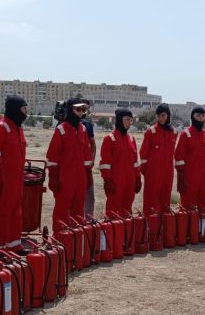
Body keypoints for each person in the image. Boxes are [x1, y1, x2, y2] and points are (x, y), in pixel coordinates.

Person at [47, 98, 94, 231]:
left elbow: (87, 155)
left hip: (80, 178)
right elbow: (52, 157)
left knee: (79, 209)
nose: (81, 112)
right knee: (62, 209)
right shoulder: (61, 130)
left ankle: (76, 241)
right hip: (64, 178)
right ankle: (59, 238)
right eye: (78, 109)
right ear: (70, 110)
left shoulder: (83, 129)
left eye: (83, 110)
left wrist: (88, 174)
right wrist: (53, 177)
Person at [0, 95, 29, 251]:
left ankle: (14, 244)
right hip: (5, 180)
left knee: (16, 212)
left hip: (17, 179)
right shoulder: (2, 127)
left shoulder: (18, 128)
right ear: (14, 109)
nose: (25, 113)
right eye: (23, 109)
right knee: (3, 213)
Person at [99, 108, 140, 217]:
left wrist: (138, 178)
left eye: (131, 120)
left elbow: (135, 162)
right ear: (119, 120)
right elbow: (105, 163)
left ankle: (126, 232)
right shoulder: (109, 139)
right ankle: (111, 232)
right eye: (127, 119)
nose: (129, 123)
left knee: (127, 211)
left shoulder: (132, 139)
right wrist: (107, 180)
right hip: (115, 183)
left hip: (130, 183)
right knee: (113, 211)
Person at [139, 103, 177, 215]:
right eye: (158, 116)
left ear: (168, 115)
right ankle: (149, 228)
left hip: (168, 173)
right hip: (153, 173)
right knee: (151, 201)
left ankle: (163, 228)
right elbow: (143, 154)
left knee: (165, 200)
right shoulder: (151, 132)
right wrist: (146, 171)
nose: (161, 118)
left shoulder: (174, 132)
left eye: (163, 115)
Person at [175, 106, 205, 211]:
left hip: (204, 178)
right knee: (189, 207)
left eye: (202, 116)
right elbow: (179, 157)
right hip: (189, 178)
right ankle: (189, 228)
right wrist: (181, 177)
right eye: (198, 115)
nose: (200, 118)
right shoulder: (185, 134)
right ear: (192, 117)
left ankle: (202, 228)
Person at [82, 107, 97, 218]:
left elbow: (93, 144)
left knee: (89, 197)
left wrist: (92, 159)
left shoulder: (87, 125)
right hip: (70, 170)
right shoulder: (62, 127)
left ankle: (88, 221)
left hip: (86, 169)